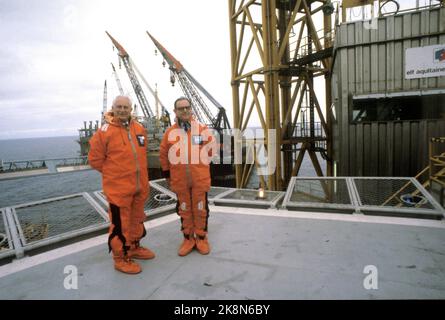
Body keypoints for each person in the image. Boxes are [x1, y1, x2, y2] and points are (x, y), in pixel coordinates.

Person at [88, 95, 155, 274]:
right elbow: (94, 160)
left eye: (126, 107)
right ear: (113, 108)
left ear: (131, 109)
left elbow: (142, 155)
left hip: (139, 187)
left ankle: (133, 247)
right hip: (118, 190)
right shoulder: (104, 131)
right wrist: (115, 175)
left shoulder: (139, 128)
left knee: (136, 220)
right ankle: (120, 258)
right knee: (120, 225)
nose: (123, 110)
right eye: (119, 107)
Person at [160, 97, 216, 256]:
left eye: (187, 107)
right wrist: (167, 174)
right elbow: (164, 155)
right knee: (184, 210)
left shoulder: (202, 129)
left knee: (200, 209)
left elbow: (211, 150)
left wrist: (199, 167)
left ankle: (201, 237)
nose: (184, 110)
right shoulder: (170, 133)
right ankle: (188, 238)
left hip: (199, 179)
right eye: (180, 108)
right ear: (175, 111)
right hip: (180, 181)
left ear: (191, 109)